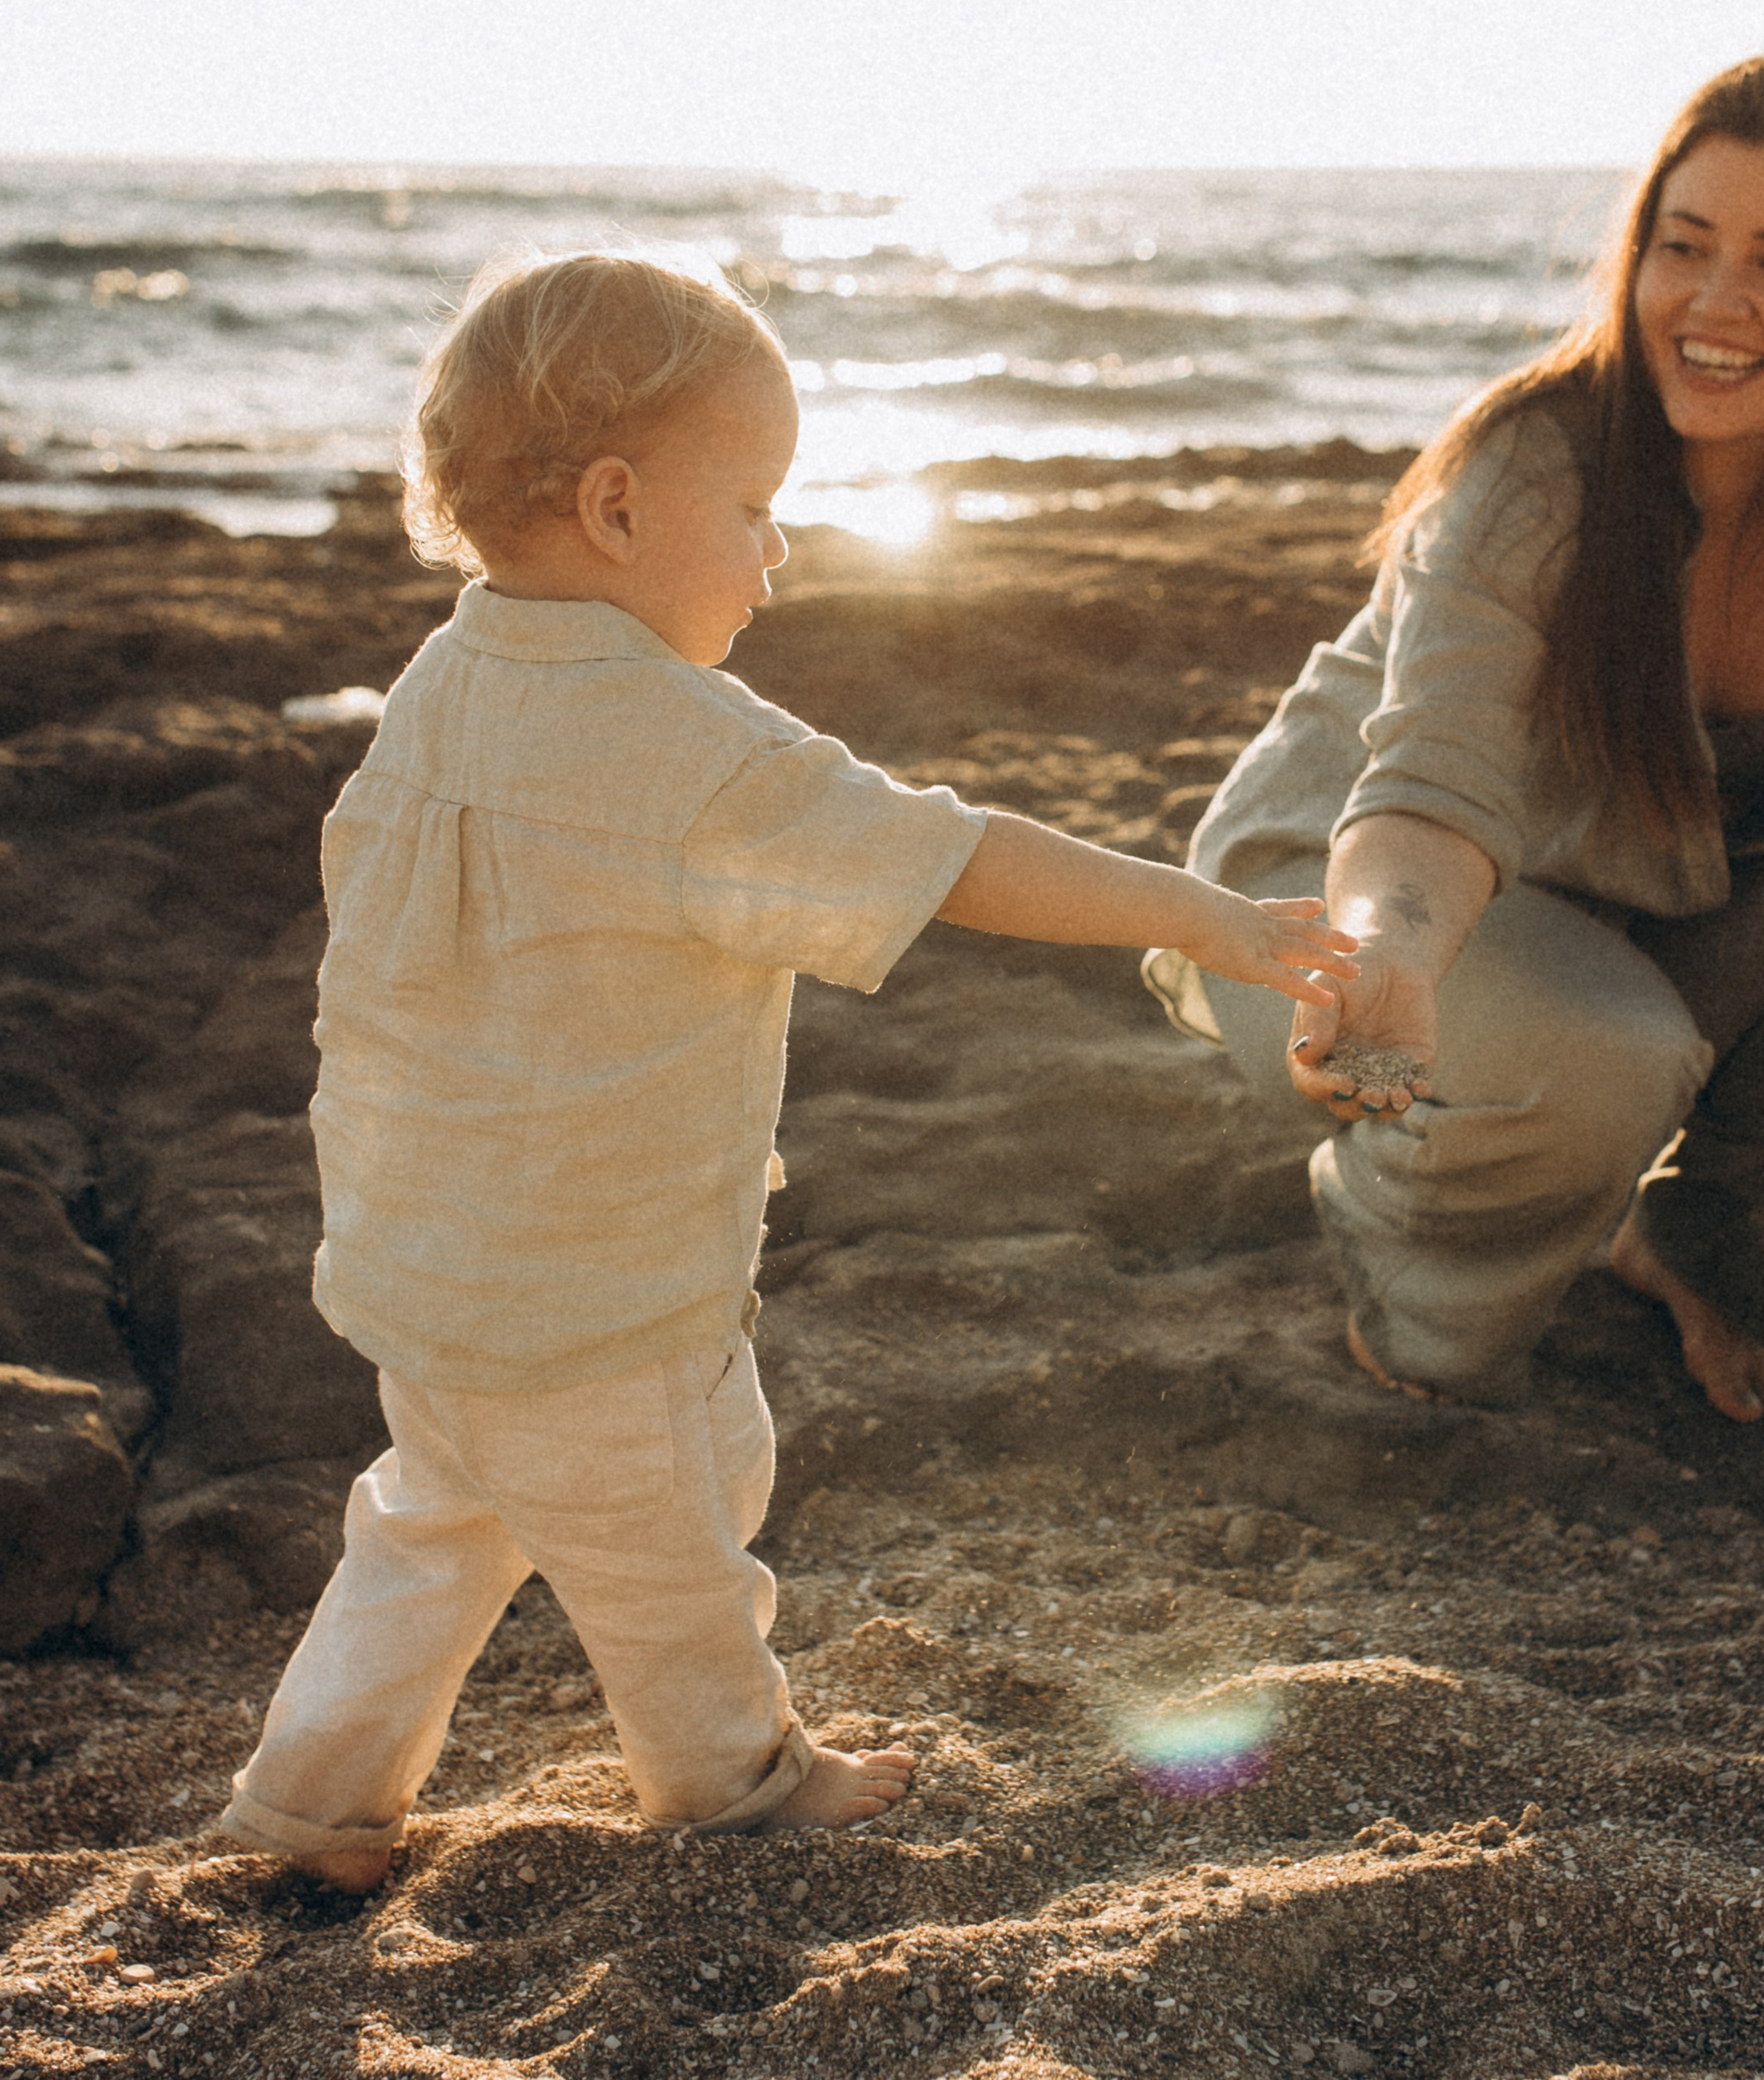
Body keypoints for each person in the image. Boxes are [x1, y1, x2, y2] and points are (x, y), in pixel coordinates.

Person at [221, 251, 1353, 1890]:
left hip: (422, 1275)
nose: (779, 548)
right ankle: (733, 1778)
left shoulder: (434, 692)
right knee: (677, 1548)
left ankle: (310, 1809)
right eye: (752, 504)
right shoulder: (693, 752)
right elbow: (953, 859)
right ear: (616, 507)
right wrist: (1201, 915)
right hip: (598, 1297)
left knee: (423, 1534)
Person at [1149, 53, 1764, 1427]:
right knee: (1602, 1050)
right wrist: (1390, 960)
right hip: (1354, 903)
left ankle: (1695, 1254)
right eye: (1683, 247)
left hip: (1623, 911)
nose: (1714, 305)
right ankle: (1417, 1295)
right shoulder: (1534, 468)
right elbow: (1432, 784)